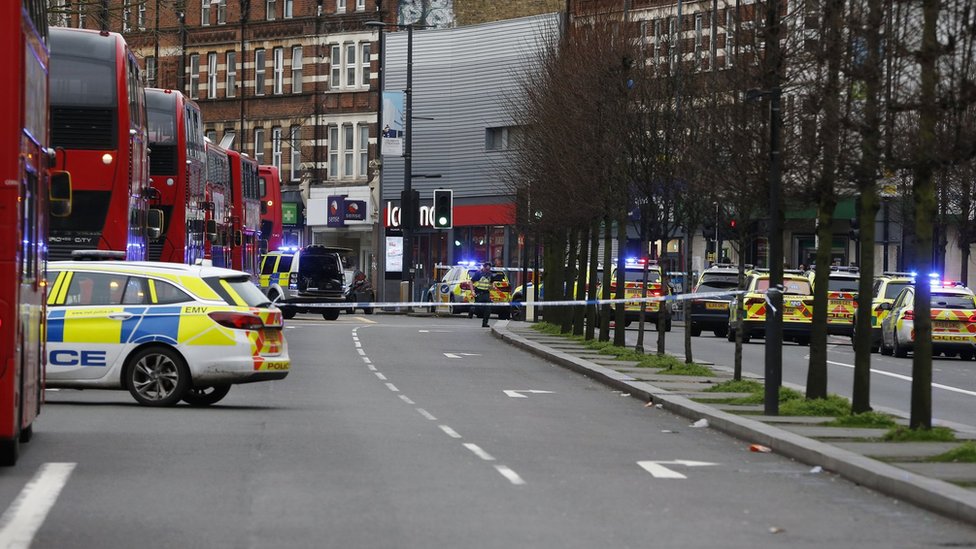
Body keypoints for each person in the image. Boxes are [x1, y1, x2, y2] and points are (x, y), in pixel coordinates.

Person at [471, 262, 494, 327]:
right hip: (479, 293)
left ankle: (485, 323)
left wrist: (492, 287)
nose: (487, 270)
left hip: (486, 293)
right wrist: (472, 291)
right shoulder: (478, 273)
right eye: (486, 269)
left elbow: (491, 284)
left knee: (488, 309)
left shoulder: (490, 274)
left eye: (489, 269)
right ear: (483, 267)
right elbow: (471, 282)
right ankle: (472, 309)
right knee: (478, 308)